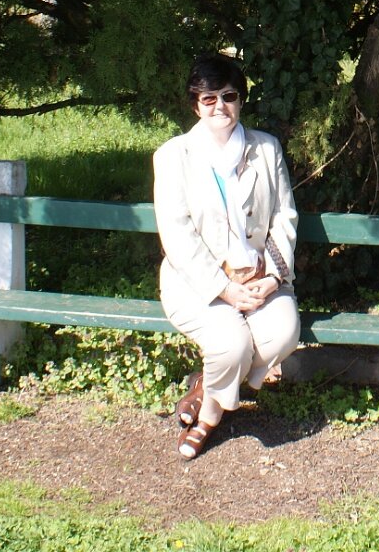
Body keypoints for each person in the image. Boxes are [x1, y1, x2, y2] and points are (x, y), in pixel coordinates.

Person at [153, 52, 300, 459]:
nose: (220, 106)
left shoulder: (266, 149)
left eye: (229, 96)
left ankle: (207, 390)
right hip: (196, 283)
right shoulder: (173, 156)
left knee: (283, 334)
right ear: (195, 104)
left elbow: (284, 217)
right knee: (231, 345)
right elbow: (177, 234)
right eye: (208, 98)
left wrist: (273, 277)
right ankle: (209, 419)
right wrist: (224, 289)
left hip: (259, 278)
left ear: (241, 99)